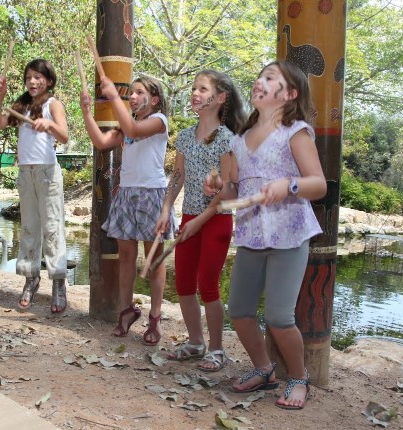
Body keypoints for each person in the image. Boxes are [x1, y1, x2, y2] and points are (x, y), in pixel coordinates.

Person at [205, 60, 326, 409]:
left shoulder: (296, 132)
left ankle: (299, 377)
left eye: (270, 78)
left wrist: (288, 184)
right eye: (260, 76)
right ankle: (264, 370)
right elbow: (233, 189)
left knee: (278, 316)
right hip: (252, 235)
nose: (260, 81)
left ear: (289, 94)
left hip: (290, 234)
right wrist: (218, 187)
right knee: (240, 310)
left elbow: (317, 184)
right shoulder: (241, 139)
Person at [157, 70, 246, 371]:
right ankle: (196, 342)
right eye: (194, 88)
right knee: (183, 284)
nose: (195, 93)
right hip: (190, 216)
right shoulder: (184, 136)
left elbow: (231, 188)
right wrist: (167, 206)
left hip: (217, 219)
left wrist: (215, 193)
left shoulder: (227, 139)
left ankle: (217, 349)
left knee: (207, 284)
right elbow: (178, 175)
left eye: (203, 89)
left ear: (220, 98)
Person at [80, 75, 173, 346]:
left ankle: (155, 318)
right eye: (129, 93)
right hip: (127, 193)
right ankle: (126, 310)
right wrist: (87, 112)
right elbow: (100, 141)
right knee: (126, 258)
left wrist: (112, 96)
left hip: (151, 195)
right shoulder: (127, 125)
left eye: (138, 93)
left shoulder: (159, 121)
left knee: (154, 260)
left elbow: (132, 130)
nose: (131, 97)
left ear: (153, 100)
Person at [0, 59, 69, 314]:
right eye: (29, 78)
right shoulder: (21, 104)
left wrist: (50, 125)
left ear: (48, 80)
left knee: (52, 227)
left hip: (47, 172)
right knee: (29, 228)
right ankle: (31, 278)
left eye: (38, 77)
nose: (33, 82)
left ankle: (58, 282)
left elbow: (64, 135)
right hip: (25, 172)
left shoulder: (52, 104)